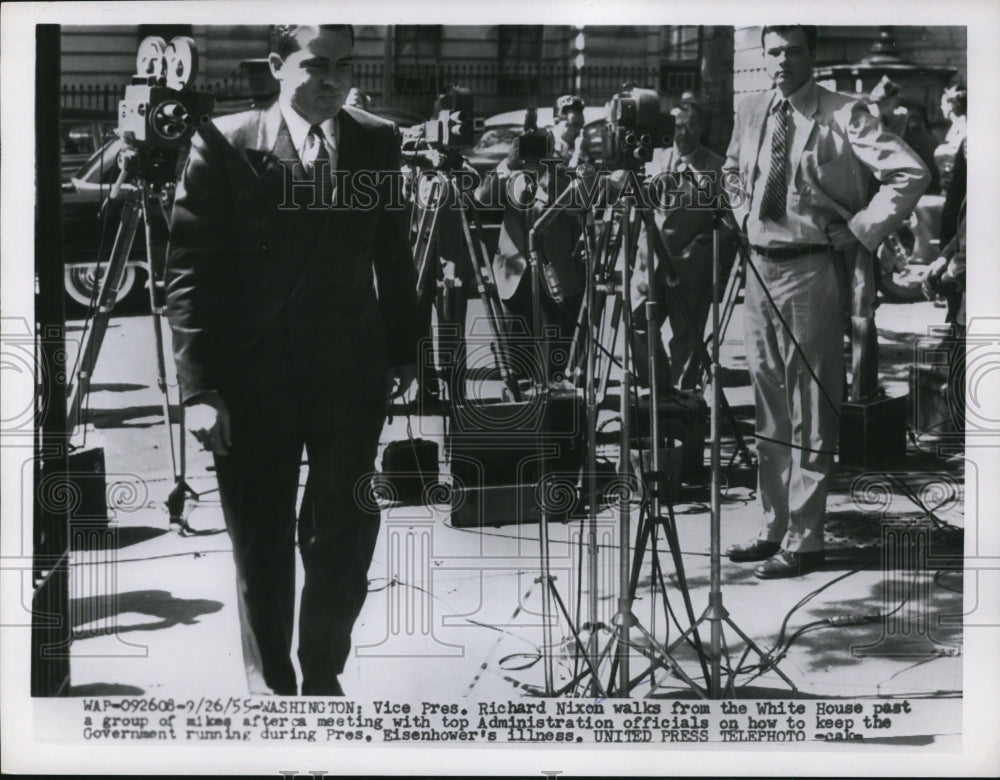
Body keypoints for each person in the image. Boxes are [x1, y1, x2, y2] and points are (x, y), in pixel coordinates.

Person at [165, 24, 418, 695]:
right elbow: (189, 274)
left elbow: (394, 253)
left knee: (343, 539)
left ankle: (323, 671)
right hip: (251, 383)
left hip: (349, 377)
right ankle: (273, 683)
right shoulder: (224, 141)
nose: (333, 79)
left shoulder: (376, 140)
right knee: (262, 544)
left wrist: (404, 349)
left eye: (344, 65)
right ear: (278, 66)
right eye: (316, 65)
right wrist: (197, 388)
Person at [723, 25, 929, 579]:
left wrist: (862, 228)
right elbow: (731, 173)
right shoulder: (752, 108)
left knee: (810, 405)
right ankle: (773, 526)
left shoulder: (846, 113)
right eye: (774, 52)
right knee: (768, 403)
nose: (782, 61)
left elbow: (910, 172)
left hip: (812, 267)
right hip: (758, 270)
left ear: (811, 55)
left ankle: (807, 538)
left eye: (793, 51)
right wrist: (743, 214)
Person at [476, 95, 590, 387]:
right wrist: (508, 162)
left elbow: (578, 205)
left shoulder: (561, 173)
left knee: (554, 361)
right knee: (517, 362)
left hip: (556, 274)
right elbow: (482, 197)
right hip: (515, 274)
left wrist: (550, 171)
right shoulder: (511, 171)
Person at [630, 99, 734, 392]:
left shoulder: (717, 167)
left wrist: (702, 248)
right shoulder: (652, 161)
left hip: (690, 270)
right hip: (648, 263)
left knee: (687, 340)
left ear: (701, 128)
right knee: (634, 324)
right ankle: (658, 386)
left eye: (690, 125)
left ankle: (683, 403)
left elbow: (731, 223)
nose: (683, 132)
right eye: (678, 125)